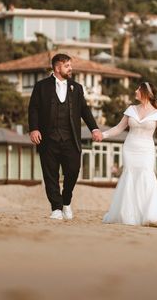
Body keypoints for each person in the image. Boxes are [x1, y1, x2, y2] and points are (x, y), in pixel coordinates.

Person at [28, 53, 102, 220]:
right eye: (67, 66)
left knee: (73, 170)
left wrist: (94, 129)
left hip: (71, 138)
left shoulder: (76, 88)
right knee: (50, 175)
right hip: (48, 138)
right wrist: (34, 129)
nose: (71, 69)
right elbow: (33, 109)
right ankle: (56, 208)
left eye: (70, 65)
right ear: (57, 68)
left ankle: (66, 201)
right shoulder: (41, 86)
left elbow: (84, 110)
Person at [100, 81, 157, 229]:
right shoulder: (131, 109)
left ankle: (151, 215)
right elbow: (119, 128)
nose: (135, 91)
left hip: (146, 150)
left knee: (146, 176)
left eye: (138, 89)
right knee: (130, 176)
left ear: (146, 93)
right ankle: (128, 215)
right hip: (130, 148)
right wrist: (103, 134)